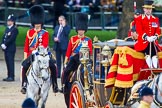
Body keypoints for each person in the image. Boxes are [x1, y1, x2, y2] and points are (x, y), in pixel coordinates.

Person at [21, 5, 59, 94]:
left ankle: (55, 84)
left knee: (53, 66)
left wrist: (39, 52)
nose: (37, 25)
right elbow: (26, 46)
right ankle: (24, 84)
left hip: (42, 54)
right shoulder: (29, 32)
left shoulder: (45, 33)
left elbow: (45, 45)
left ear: (41, 23)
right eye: (36, 23)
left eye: (39, 24)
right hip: (31, 55)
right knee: (24, 67)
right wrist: (25, 57)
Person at [61, 12, 93, 107]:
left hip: (85, 60)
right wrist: (65, 62)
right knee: (66, 72)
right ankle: (64, 85)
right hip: (74, 61)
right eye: (79, 30)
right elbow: (68, 52)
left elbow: (90, 52)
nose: (81, 31)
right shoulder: (72, 39)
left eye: (82, 30)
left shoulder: (88, 40)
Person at [134, 0, 161, 69]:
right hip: (143, 42)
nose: (148, 10)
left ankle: (155, 68)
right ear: (144, 9)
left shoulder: (155, 19)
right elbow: (139, 30)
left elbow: (158, 30)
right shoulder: (139, 19)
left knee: (154, 54)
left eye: (150, 9)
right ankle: (150, 68)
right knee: (148, 53)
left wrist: (155, 37)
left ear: (152, 9)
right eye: (147, 9)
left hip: (153, 41)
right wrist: (146, 37)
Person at [1, 14, 18, 82]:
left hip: (10, 48)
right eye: (8, 21)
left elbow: (11, 39)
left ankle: (11, 76)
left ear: (13, 22)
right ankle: (9, 75)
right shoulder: (7, 29)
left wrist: (5, 44)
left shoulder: (14, 29)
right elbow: (4, 37)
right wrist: (2, 43)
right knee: (7, 61)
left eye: (10, 21)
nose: (8, 22)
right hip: (6, 48)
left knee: (10, 62)